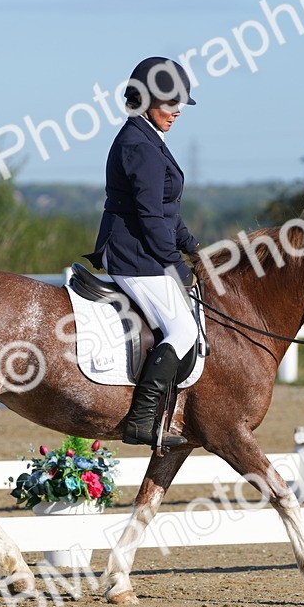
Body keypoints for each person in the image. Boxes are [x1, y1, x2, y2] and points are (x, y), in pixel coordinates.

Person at [83, 57, 200, 447]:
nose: (177, 111)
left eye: (179, 103)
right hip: (133, 254)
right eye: (170, 103)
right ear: (146, 100)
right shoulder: (139, 144)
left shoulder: (150, 137)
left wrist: (193, 248)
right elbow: (150, 217)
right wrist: (175, 265)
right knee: (182, 329)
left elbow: (168, 210)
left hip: (145, 249)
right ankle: (142, 419)